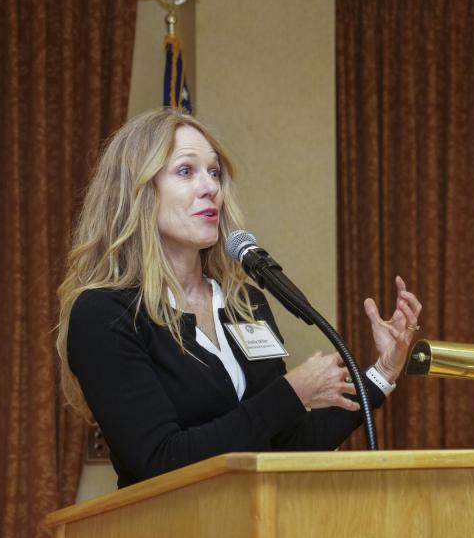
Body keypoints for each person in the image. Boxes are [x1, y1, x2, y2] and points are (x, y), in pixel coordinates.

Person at [56, 109, 422, 488]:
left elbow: (289, 445)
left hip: (261, 531)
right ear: (138, 193)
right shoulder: (105, 314)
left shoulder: (242, 302)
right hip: (170, 537)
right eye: (186, 171)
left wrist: (382, 372)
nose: (210, 186)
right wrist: (290, 394)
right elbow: (159, 460)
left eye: (214, 172)